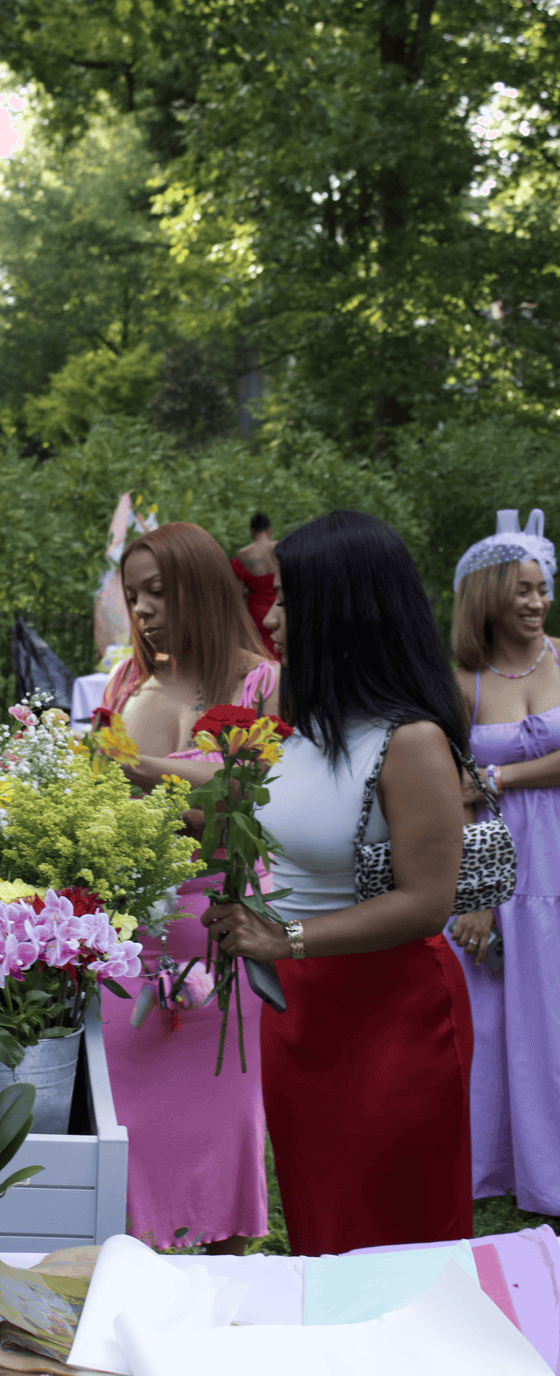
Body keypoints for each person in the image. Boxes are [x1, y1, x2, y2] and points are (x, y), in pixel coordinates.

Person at [202, 511, 474, 1257]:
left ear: (341, 609)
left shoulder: (409, 739)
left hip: (393, 1017)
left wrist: (283, 936)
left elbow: (428, 902)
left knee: (393, 1242)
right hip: (300, 1014)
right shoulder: (301, 731)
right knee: (321, 1233)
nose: (273, 617)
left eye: (289, 599)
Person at [100, 520, 279, 1254]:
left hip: (222, 924)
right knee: (129, 1122)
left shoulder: (262, 680)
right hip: (135, 929)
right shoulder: (126, 682)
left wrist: (148, 771)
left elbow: (252, 793)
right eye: (134, 595)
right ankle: (128, 1268)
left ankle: (222, 1273)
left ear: (201, 589)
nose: (142, 611)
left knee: (223, 1117)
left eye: (159, 593)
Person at [444, 509, 560, 1214]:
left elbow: (480, 781)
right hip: (496, 864)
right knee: (494, 1020)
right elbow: (452, 795)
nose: (538, 602)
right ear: (487, 595)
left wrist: (501, 777)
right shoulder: (462, 683)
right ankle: (501, 1169)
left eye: (543, 588)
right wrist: (477, 897)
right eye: (523, 589)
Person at [230, 511, 277, 659]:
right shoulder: (282, 549)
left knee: (261, 651)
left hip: (256, 612)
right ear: (270, 529)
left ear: (251, 531)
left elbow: (236, 594)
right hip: (281, 608)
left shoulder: (243, 555)